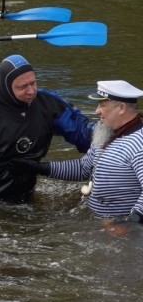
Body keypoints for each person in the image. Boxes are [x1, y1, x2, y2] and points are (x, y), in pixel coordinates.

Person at [0, 54, 93, 210]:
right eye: (23, 87)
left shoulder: (48, 104)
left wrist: (110, 138)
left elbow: (83, 132)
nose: (31, 91)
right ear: (7, 87)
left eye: (33, 83)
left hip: (25, 195)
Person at [21, 80, 143, 220]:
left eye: (102, 105)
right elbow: (83, 168)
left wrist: (129, 224)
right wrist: (40, 168)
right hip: (100, 223)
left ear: (121, 108)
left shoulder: (139, 143)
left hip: (122, 231)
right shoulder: (106, 134)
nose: (97, 110)